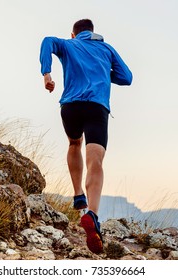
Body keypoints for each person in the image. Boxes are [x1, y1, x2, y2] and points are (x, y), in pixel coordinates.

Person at [39, 19, 132, 254]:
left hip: (70, 106)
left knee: (73, 143)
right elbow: (127, 77)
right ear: (93, 32)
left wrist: (47, 74)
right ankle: (93, 213)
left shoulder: (68, 45)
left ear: (73, 34)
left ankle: (78, 194)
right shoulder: (106, 48)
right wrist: (100, 71)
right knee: (95, 160)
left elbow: (47, 41)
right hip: (96, 107)